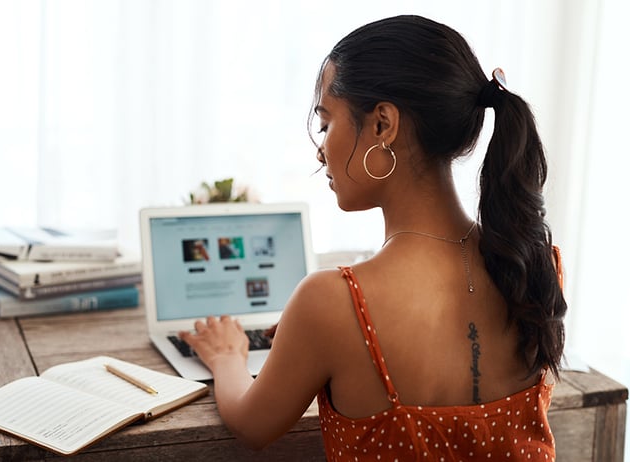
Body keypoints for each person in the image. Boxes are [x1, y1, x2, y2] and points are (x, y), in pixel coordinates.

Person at [179, 15, 567, 461]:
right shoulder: (534, 266)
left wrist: (227, 355)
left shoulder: (333, 300)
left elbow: (251, 426)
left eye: (326, 124)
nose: (320, 148)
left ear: (383, 124)